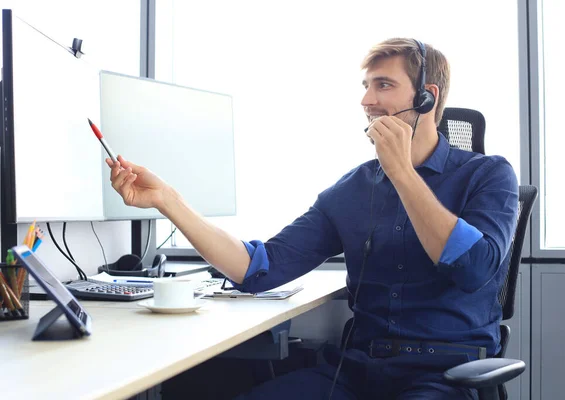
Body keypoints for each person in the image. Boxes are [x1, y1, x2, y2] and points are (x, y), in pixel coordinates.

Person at [107, 38, 518, 400]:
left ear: (427, 97)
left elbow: (473, 268)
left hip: (444, 376)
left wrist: (403, 174)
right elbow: (256, 268)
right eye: (366, 86)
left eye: (384, 85)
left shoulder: (489, 175)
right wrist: (168, 201)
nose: (366, 100)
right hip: (356, 373)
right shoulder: (353, 189)